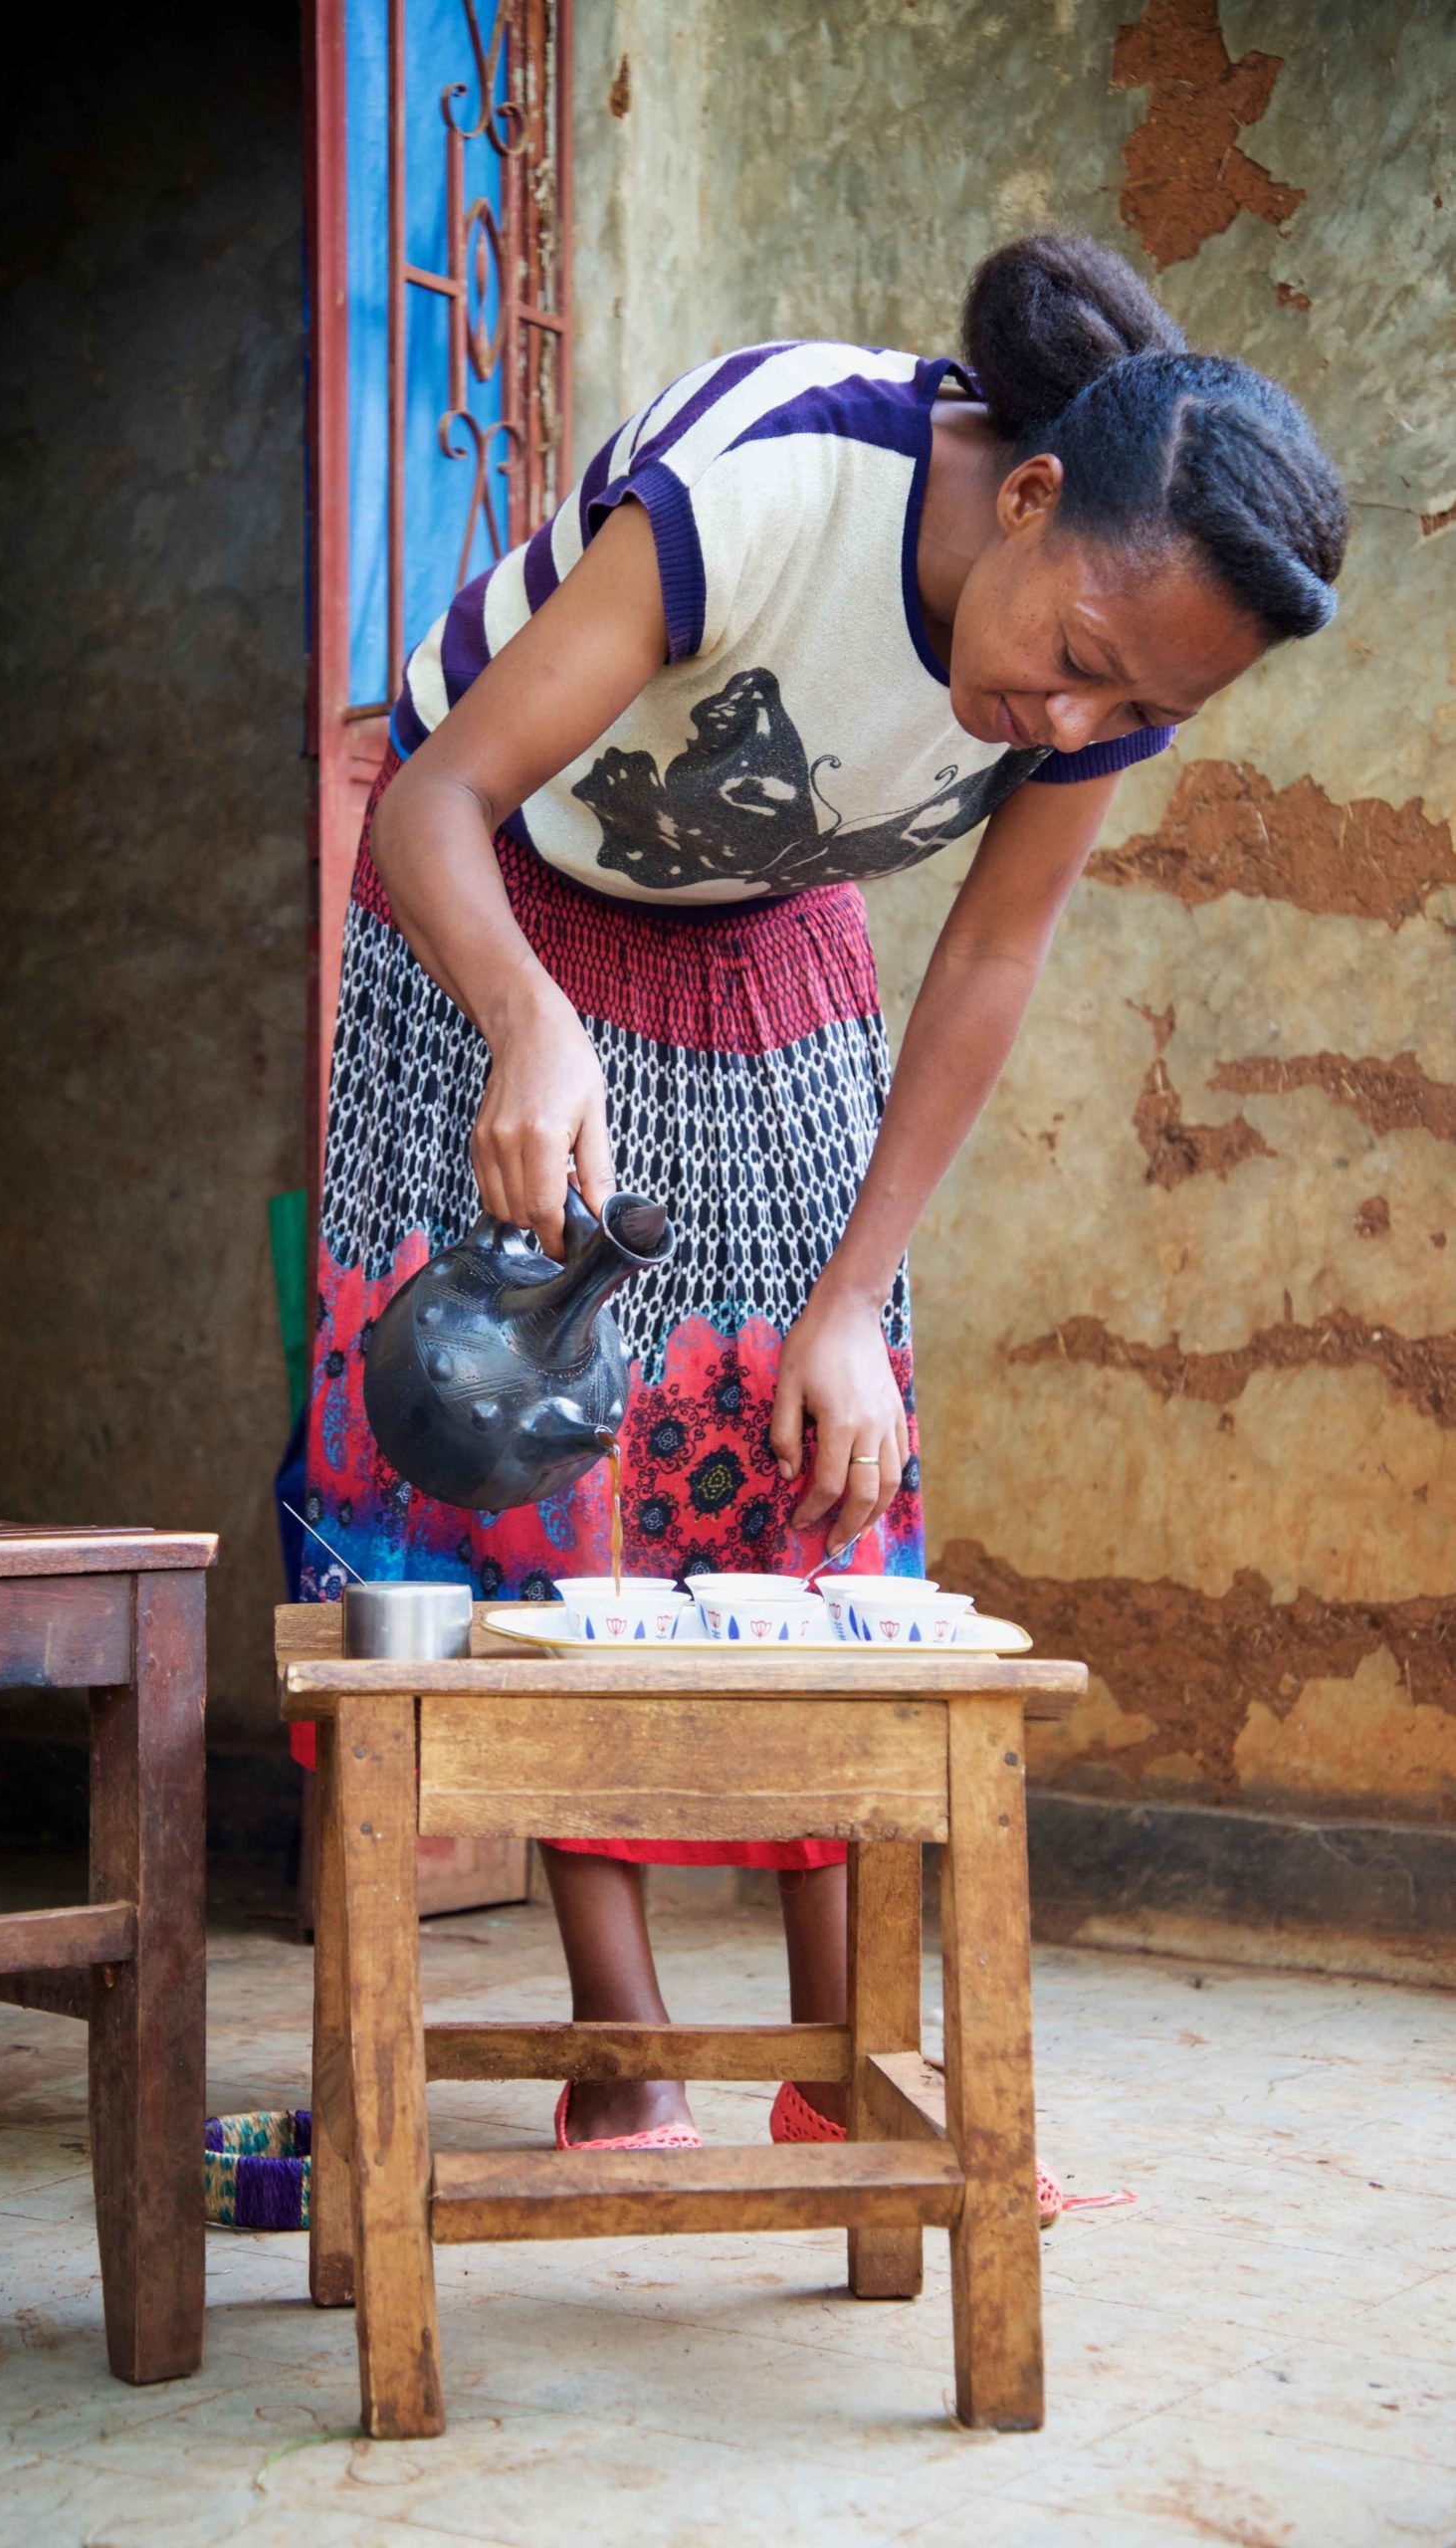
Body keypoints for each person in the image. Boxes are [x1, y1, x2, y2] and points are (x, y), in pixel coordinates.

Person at [298, 233, 1347, 2156]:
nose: (1075, 725)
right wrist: (529, 1026)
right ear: (1026, 498)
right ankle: (623, 2062)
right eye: (1078, 668)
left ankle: (831, 2064)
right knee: (550, 1455)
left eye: (1134, 715)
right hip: (490, 902)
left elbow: (986, 961)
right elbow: (430, 797)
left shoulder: (1124, 659)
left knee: (812, 1461)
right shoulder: (767, 483)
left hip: (768, 935)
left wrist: (856, 1297)